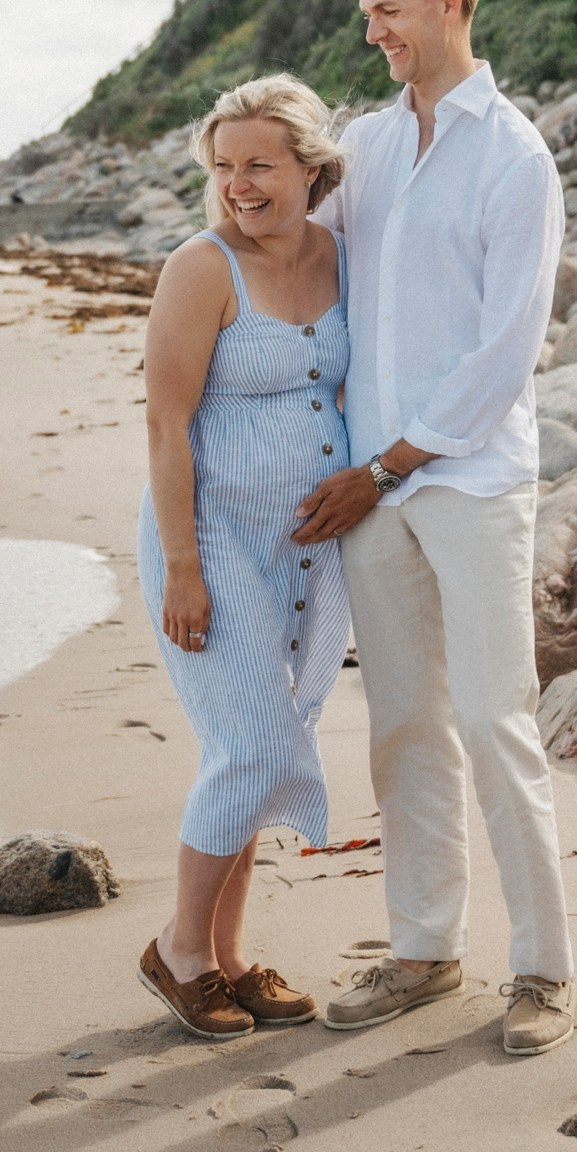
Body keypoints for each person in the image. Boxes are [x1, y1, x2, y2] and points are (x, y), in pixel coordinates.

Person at [292, 0, 577, 1057]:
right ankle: (422, 950)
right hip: (372, 486)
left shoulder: (515, 156)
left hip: (463, 480)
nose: (375, 34)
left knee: (492, 715)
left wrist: (387, 462)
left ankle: (544, 969)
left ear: (450, 0)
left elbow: (505, 353)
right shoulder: (358, 147)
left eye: (389, 11)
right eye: (367, 15)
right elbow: (282, 246)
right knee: (404, 726)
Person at [135, 75, 352, 1041]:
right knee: (254, 742)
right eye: (224, 167)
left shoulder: (341, 255)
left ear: (311, 167)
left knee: (266, 749)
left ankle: (226, 960)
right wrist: (183, 561)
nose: (240, 185)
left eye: (259, 164)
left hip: (304, 552)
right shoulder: (202, 265)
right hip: (210, 539)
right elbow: (166, 425)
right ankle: (180, 951)